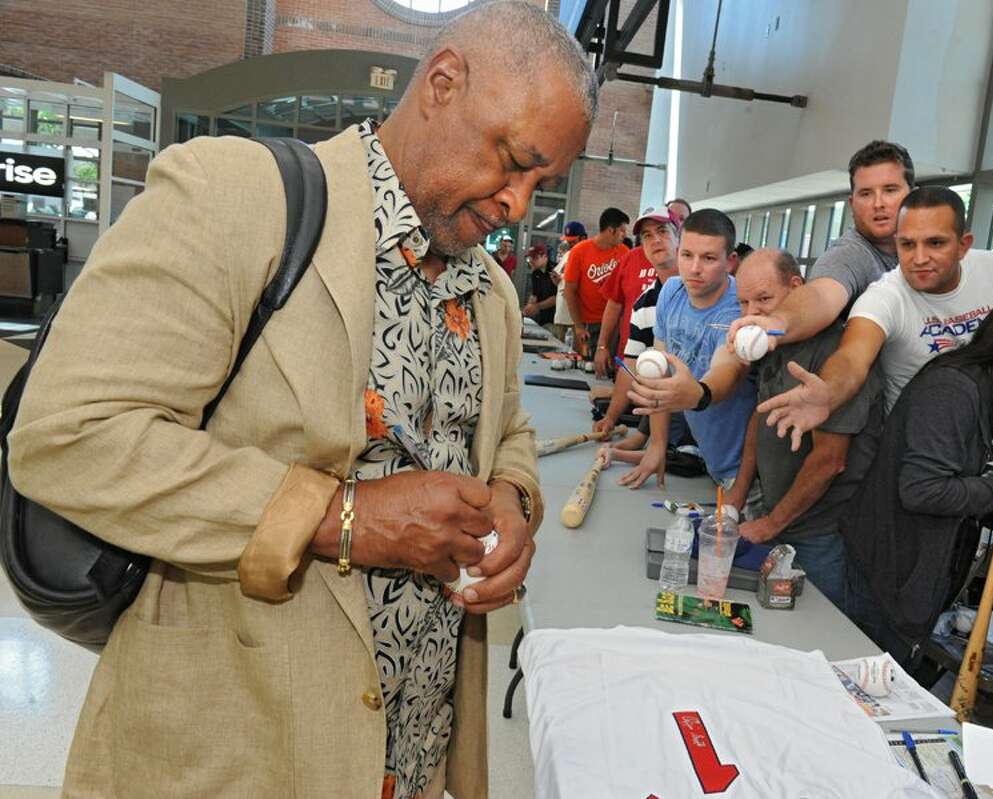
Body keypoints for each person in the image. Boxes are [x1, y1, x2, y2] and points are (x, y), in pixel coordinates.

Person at [5, 3, 596, 798]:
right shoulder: (239, 197)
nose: (518, 204)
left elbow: (508, 430)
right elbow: (70, 434)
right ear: (444, 83)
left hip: (413, 758)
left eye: (541, 182)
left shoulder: (488, 289)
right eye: (512, 160)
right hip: (239, 753)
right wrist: (346, 517)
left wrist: (515, 497)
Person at [840, 292, 993, 668]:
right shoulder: (952, 390)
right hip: (889, 573)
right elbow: (921, 490)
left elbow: (972, 500)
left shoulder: (978, 390)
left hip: (908, 573)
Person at [758, 186, 993, 447]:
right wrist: (828, 393)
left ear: (963, 245)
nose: (919, 258)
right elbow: (851, 359)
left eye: (935, 243)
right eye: (908, 245)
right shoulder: (884, 298)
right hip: (921, 452)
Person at [726, 249, 883, 611]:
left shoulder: (835, 352)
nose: (752, 315)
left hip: (819, 536)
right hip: (775, 521)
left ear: (797, 289)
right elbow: (759, 417)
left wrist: (770, 524)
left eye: (764, 299)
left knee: (820, 635)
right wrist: (738, 494)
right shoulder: (772, 342)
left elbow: (829, 460)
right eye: (743, 303)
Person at [727, 140, 913, 349]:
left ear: (913, 196)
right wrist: (777, 323)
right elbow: (821, 295)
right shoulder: (850, 255)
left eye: (890, 190)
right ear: (852, 204)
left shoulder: (939, 249)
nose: (878, 203)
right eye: (866, 193)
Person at [617, 209, 755, 490]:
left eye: (708, 258)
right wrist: (656, 445)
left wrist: (699, 394)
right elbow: (659, 369)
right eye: (687, 255)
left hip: (743, 470)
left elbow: (728, 370)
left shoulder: (740, 305)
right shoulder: (672, 291)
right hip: (708, 457)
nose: (694, 268)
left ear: (730, 262)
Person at [594, 206, 675, 379]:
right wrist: (602, 346)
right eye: (647, 235)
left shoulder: (690, 274)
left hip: (670, 371)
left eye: (662, 231)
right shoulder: (630, 258)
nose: (656, 240)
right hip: (630, 363)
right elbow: (614, 303)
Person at [563, 207, 630, 359]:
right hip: (588, 323)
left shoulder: (625, 253)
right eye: (622, 230)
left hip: (614, 324)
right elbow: (569, 291)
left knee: (608, 369)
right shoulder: (580, 251)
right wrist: (579, 326)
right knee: (584, 366)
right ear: (611, 230)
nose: (625, 235)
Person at [551, 231, 581, 343]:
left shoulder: (577, 255)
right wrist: (556, 278)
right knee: (561, 338)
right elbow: (557, 277)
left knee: (575, 338)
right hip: (562, 302)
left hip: (572, 304)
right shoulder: (568, 256)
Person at [522, 242, 557, 325]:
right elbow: (535, 295)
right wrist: (527, 309)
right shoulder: (536, 273)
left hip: (555, 317)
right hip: (542, 317)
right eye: (530, 258)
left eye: (535, 258)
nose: (531, 261)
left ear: (545, 257)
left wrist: (536, 307)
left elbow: (557, 298)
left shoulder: (556, 270)